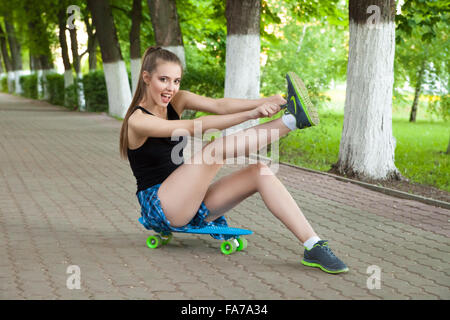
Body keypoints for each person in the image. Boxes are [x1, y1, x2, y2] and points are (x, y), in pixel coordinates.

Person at [119, 46, 348, 274]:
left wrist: (266, 101)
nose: (171, 88)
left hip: (187, 199)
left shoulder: (177, 100)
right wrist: (252, 114)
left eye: (176, 81)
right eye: (164, 80)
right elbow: (194, 126)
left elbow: (219, 105)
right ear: (146, 78)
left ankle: (313, 245)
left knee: (259, 171)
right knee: (213, 150)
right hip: (162, 206)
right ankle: (291, 121)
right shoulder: (137, 121)